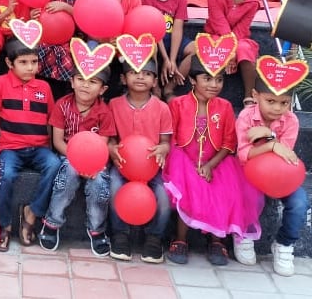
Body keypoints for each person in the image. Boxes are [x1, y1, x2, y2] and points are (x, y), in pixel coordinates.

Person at [163, 53, 262, 266]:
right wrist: (189, 166)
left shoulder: (225, 106)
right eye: (207, 79)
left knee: (225, 189)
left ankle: (217, 240)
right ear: (192, 80)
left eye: (219, 79)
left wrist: (210, 165)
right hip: (183, 160)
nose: (214, 85)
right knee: (187, 187)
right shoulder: (178, 104)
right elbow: (173, 138)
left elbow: (229, 142)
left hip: (216, 161)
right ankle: (180, 238)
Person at [0, 37, 60, 252]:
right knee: (4, 175)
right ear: (9, 63)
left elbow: (49, 120)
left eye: (34, 62)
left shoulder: (44, 87)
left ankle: (32, 213)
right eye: (23, 62)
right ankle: (5, 225)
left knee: (55, 165)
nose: (30, 67)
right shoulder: (0, 83)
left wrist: (50, 148)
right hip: (10, 148)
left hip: (39, 148)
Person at [236, 76, 309, 276]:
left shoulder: (291, 120)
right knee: (248, 194)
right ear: (255, 95)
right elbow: (244, 154)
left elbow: (285, 154)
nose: (277, 108)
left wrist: (269, 137)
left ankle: (284, 244)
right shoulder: (246, 116)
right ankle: (245, 234)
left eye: (284, 103)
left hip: (280, 175)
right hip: (249, 172)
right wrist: (271, 146)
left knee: (300, 202)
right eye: (270, 101)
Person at [39, 64, 115, 256]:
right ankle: (52, 223)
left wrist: (90, 164)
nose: (85, 85)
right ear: (72, 82)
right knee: (68, 175)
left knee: (99, 183)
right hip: (68, 156)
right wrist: (77, 160)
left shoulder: (104, 112)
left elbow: (102, 144)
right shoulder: (62, 105)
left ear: (103, 89)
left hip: (95, 161)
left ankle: (97, 229)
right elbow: (57, 141)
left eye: (93, 81)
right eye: (80, 79)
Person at [108, 59, 172, 263]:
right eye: (134, 72)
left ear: (155, 81)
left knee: (164, 194)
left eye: (147, 73)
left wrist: (163, 149)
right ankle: (119, 234)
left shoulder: (162, 108)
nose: (140, 77)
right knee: (114, 186)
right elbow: (110, 138)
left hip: (152, 166)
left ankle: (154, 238)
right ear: (123, 78)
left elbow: (165, 142)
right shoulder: (114, 105)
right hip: (123, 164)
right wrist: (111, 149)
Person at [183, 0, 260, 106]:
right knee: (204, 47)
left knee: (245, 49)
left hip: (239, 39)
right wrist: (228, 51)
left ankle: (249, 95)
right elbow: (220, 23)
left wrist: (232, 50)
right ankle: (174, 87)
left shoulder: (252, 2)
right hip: (215, 35)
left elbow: (242, 28)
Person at [139, 0, 195, 100]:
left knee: (196, 49)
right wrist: (165, 59)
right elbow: (152, 31)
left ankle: (169, 88)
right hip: (154, 40)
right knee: (150, 46)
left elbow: (177, 29)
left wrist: (172, 59)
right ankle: (155, 87)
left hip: (173, 39)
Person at [34, 0, 85, 99]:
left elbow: (84, 18)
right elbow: (36, 7)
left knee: (65, 54)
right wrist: (34, 15)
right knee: (36, 52)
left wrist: (65, 7)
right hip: (44, 38)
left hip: (69, 40)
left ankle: (63, 97)